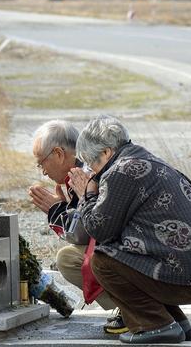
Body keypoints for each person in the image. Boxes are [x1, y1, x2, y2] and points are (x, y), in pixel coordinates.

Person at [70, 115, 191, 344]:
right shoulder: (147, 160)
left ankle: (155, 325)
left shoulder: (121, 171)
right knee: (136, 253)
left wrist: (86, 193)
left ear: (106, 153)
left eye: (91, 163)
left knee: (103, 260)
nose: (91, 171)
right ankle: (175, 321)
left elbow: (99, 230)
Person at [29, 120, 125, 333]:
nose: (43, 172)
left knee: (68, 259)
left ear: (58, 154)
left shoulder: (85, 174)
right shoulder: (81, 169)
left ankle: (131, 308)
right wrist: (63, 208)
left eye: (41, 162)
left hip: (130, 249)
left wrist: (57, 211)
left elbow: (86, 232)